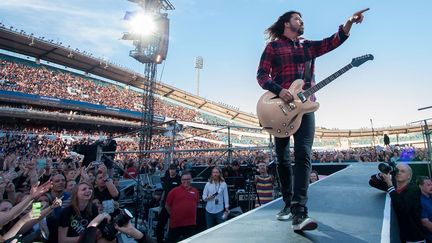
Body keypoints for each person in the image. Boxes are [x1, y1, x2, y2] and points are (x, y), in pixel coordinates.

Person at [256, 8, 369, 231]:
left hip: (306, 109)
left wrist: (348, 22)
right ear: (287, 23)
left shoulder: (307, 46)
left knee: (303, 156)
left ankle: (299, 212)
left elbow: (333, 41)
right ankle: (287, 203)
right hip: (280, 111)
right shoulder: (273, 47)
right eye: (297, 18)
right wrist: (279, 90)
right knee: (282, 160)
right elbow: (261, 75)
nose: (302, 21)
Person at [380, 163, 425, 242]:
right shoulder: (394, 187)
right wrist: (384, 172)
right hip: (402, 237)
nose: (399, 173)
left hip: (414, 238)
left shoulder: (414, 189)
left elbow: (402, 207)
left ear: (409, 176)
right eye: (397, 170)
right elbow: (372, 182)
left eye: (403, 171)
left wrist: (389, 184)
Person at [165, 171, 199, 243]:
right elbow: (167, 205)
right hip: (176, 224)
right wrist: (173, 214)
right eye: (184, 179)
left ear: (191, 180)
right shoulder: (174, 191)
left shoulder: (195, 191)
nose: (186, 181)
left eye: (188, 179)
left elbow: (196, 204)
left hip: (190, 224)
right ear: (181, 180)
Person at [156, 164, 181, 243]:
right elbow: (164, 192)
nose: (172, 171)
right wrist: (160, 206)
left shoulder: (179, 179)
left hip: (175, 207)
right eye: (170, 169)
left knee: (173, 226)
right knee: (160, 225)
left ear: (176, 170)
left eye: (173, 169)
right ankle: (160, 241)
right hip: (165, 205)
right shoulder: (166, 179)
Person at [418, 176, 432, 242]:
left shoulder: (430, 197)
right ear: (420, 186)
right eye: (428, 185)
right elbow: (425, 223)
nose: (431, 186)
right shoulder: (420, 201)